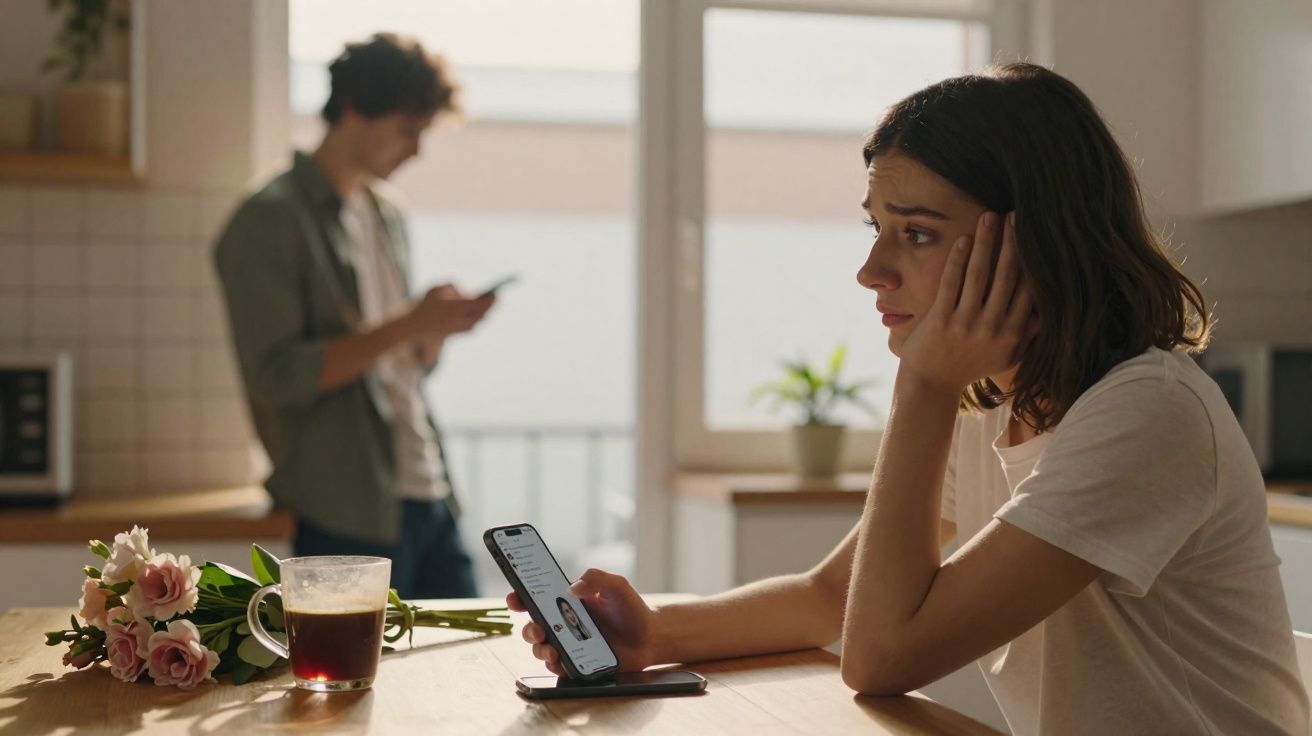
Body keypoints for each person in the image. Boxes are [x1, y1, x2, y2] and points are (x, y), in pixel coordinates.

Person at [510, 63, 1311, 734]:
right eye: (877, 229)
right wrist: (654, 634)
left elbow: (882, 655)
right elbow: (833, 598)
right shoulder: (997, 402)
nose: (872, 272)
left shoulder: (1146, 412)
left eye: (917, 233)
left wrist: (925, 385)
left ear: (1033, 242)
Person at [214, 33, 491, 598]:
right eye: (408, 128)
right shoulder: (268, 219)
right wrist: (409, 323)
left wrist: (432, 331)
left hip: (428, 485)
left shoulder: (387, 214)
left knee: (471, 650)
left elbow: (401, 366)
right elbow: (278, 376)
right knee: (353, 659)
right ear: (354, 109)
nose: (417, 150)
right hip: (344, 504)